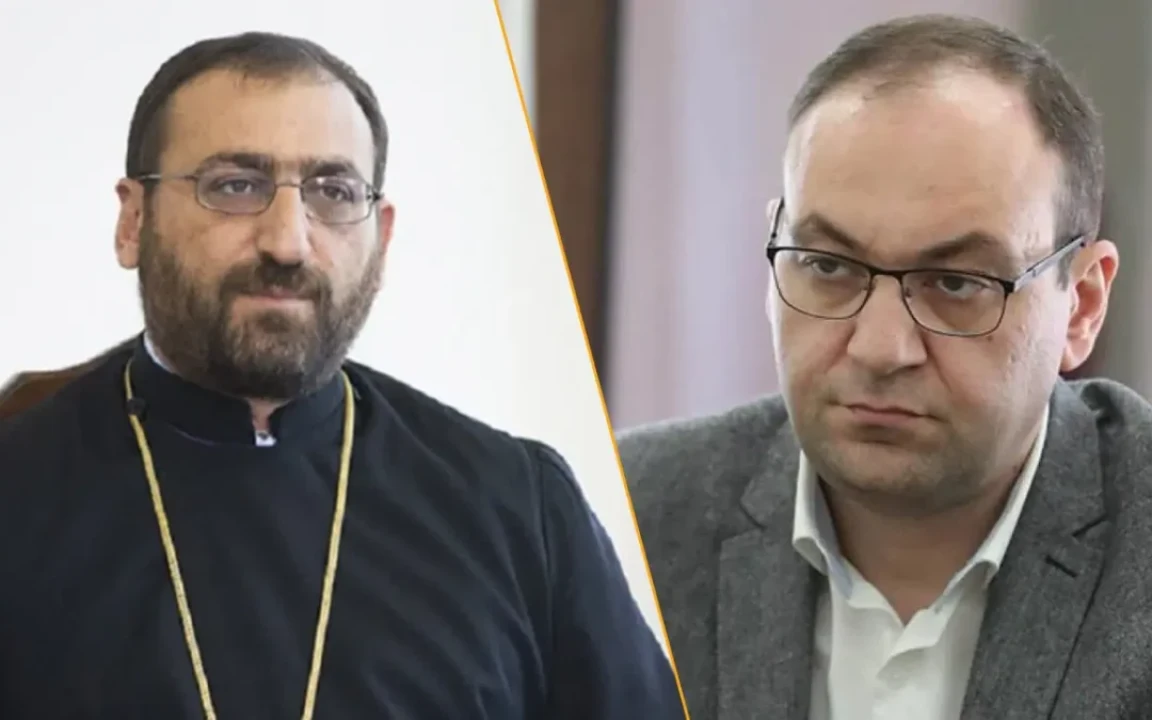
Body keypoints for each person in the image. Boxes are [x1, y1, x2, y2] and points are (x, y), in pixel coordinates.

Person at [0, 32, 685, 720]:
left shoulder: (519, 508)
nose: (288, 242)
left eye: (332, 192)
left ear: (381, 240)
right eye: (235, 186)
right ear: (133, 221)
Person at [618, 13, 1152, 720]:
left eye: (955, 283)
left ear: (1081, 305)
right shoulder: (622, 518)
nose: (879, 348)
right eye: (827, 266)